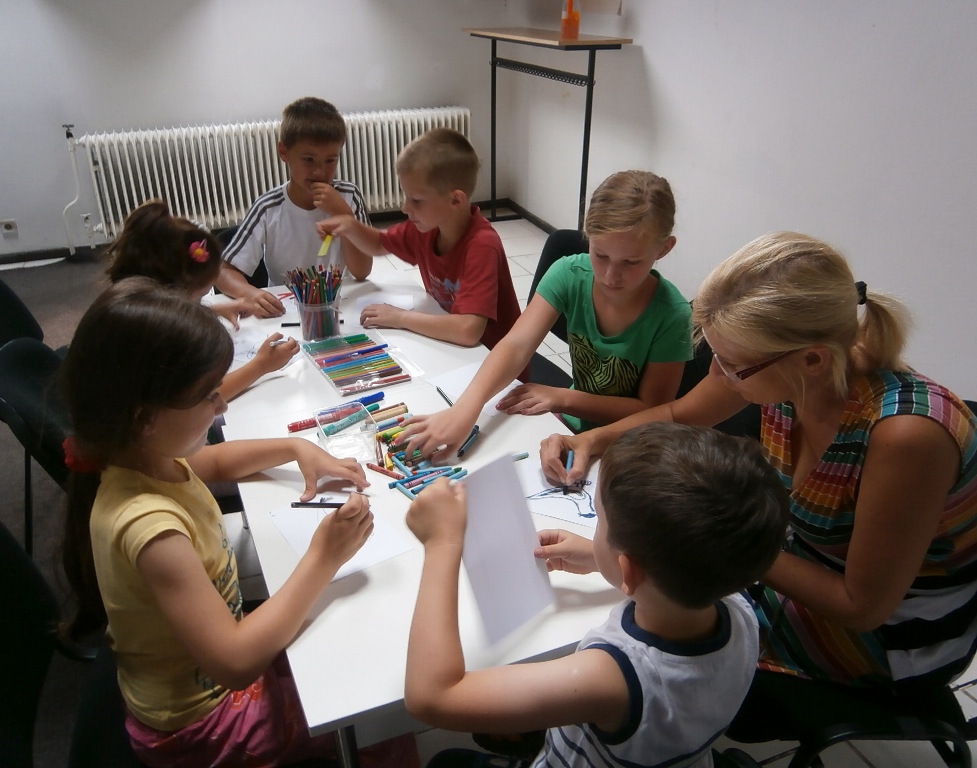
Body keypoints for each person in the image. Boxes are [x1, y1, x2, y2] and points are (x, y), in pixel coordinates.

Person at [540, 232, 977, 741]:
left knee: (654, 653)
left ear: (812, 360)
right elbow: (681, 413)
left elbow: (862, 606)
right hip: (799, 563)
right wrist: (592, 440)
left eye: (732, 365)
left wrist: (689, 546)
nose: (720, 375)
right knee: (641, 607)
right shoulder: (788, 366)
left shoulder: (906, 437)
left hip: (894, 636)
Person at [59, 278, 418, 767]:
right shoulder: (150, 527)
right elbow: (234, 663)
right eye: (209, 396)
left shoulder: (146, 456)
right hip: (203, 727)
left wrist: (296, 447)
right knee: (377, 716)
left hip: (215, 663)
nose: (222, 406)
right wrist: (325, 555)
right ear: (145, 417)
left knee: (348, 641)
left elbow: (218, 461)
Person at [404, 422, 789, 767]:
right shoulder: (739, 603)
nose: (596, 529)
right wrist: (600, 557)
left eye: (599, 521)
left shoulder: (614, 677)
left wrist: (442, 544)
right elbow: (686, 573)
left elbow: (435, 697)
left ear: (629, 569)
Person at [398, 170, 693, 464]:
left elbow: (650, 411)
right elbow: (516, 345)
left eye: (631, 262)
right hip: (571, 424)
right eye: (600, 255)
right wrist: (465, 409)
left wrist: (564, 398)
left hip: (631, 446)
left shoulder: (672, 315)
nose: (610, 276)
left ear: (664, 248)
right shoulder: (569, 273)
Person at [317, 127, 522, 353]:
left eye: (416, 200)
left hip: (492, 358)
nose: (405, 208)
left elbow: (468, 330)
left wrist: (400, 317)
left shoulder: (482, 246)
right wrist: (350, 226)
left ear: (455, 200)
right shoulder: (427, 228)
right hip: (452, 346)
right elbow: (378, 244)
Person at [105, 199, 299, 403]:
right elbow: (198, 399)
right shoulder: (159, 333)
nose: (197, 304)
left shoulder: (133, 303)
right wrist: (261, 365)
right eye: (198, 297)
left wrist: (215, 309)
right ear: (173, 291)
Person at [216, 96, 373, 316]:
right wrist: (251, 294)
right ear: (284, 152)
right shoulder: (267, 207)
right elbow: (223, 272)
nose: (320, 172)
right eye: (308, 159)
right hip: (284, 312)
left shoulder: (348, 196)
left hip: (336, 307)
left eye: (330, 160)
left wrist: (345, 217)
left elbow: (362, 272)